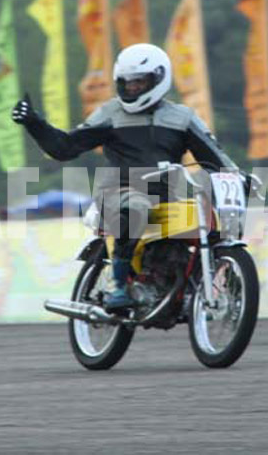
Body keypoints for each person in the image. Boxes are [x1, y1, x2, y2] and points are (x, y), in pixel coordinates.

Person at [12, 43, 241, 310]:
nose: (132, 88)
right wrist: (34, 123)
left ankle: (197, 282)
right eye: (126, 83)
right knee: (136, 207)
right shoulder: (110, 114)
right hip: (119, 190)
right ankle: (118, 286)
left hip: (169, 194)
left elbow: (215, 156)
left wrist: (236, 177)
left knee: (207, 221)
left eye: (139, 82)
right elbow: (65, 147)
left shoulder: (182, 117)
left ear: (158, 78)